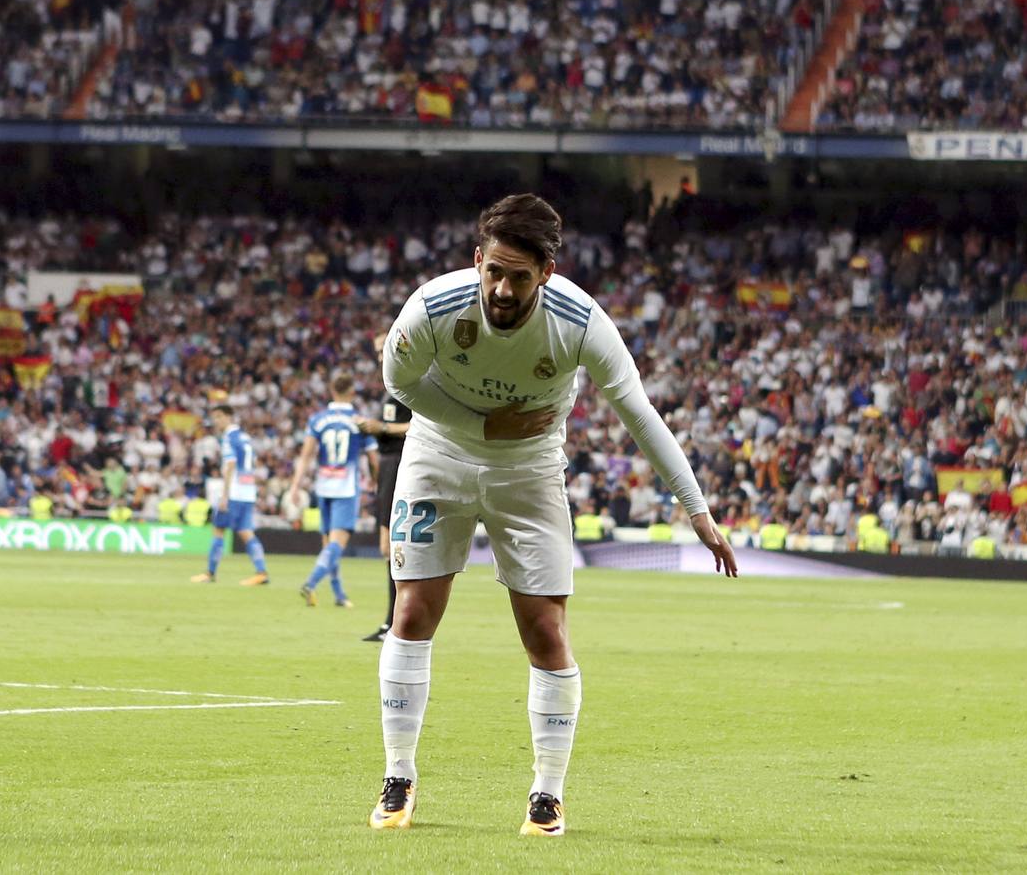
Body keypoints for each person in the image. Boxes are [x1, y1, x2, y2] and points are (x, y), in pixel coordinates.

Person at [372, 194, 736, 836]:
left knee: (545, 630)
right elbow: (399, 383)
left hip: (530, 469)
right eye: (494, 271)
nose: (503, 289)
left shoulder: (580, 322)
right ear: (478, 260)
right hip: (438, 454)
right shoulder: (432, 306)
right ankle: (398, 778)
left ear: (546, 273)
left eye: (519, 276)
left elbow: (638, 412)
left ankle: (547, 794)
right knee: (411, 613)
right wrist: (484, 421)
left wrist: (696, 508)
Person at [289, 371, 379, 608]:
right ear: (352, 392)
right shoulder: (359, 421)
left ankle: (339, 594)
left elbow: (306, 455)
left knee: (328, 544)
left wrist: (295, 485)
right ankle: (310, 583)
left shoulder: (317, 419)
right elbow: (372, 458)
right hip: (346, 487)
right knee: (338, 543)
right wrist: (374, 478)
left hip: (324, 486)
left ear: (331, 391)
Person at [356, 333, 413, 642]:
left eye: (384, 350)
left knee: (396, 547)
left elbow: (424, 422)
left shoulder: (411, 384)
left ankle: (398, 624)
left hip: (402, 464)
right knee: (387, 548)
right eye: (377, 352)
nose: (380, 357)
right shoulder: (392, 387)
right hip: (388, 467)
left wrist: (383, 428)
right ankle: (392, 622)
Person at [191, 405, 269, 586]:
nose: (216, 421)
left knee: (218, 530)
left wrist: (224, 495)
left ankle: (210, 573)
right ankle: (261, 572)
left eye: (219, 417)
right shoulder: (245, 437)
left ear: (229, 417)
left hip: (234, 492)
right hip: (247, 492)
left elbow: (230, 465)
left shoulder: (229, 438)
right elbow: (252, 463)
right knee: (246, 532)